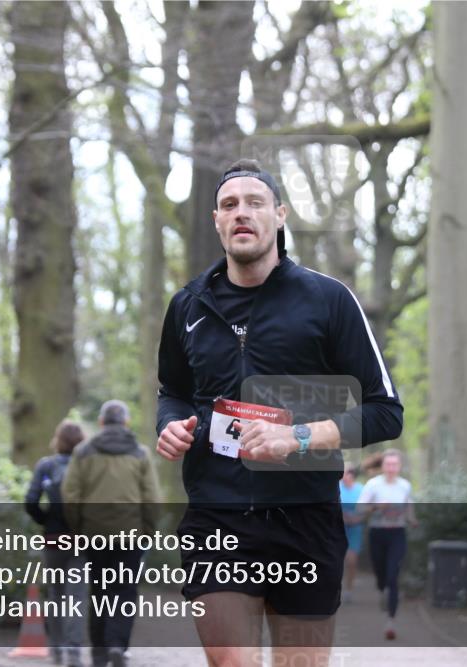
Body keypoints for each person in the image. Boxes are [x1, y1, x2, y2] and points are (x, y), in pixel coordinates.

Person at [155, 158, 403, 666]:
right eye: (229, 205)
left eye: (254, 203)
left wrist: (299, 439)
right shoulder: (189, 306)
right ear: (216, 221)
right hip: (217, 516)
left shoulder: (329, 300)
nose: (241, 213)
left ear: (280, 215)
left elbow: (385, 412)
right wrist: (170, 425)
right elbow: (172, 391)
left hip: (305, 520)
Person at [62, 401, 161, 667]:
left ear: (102, 422)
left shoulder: (83, 452)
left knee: (99, 591)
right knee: (125, 591)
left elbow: (70, 496)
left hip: (93, 535)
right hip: (131, 536)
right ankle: (118, 645)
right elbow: (152, 499)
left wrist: (78, 528)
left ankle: (99, 652)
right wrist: (148, 531)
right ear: (126, 422)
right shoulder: (140, 454)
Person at [25, 420, 87, 667]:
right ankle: (74, 651)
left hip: (53, 539)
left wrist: (46, 521)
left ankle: (57, 649)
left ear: (57, 439)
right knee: (77, 595)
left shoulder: (46, 466)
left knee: (56, 594)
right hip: (83, 539)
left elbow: (30, 501)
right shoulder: (87, 466)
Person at [357, 448, 417, 641]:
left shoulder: (405, 486)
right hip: (377, 534)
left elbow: (409, 507)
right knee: (381, 574)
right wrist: (376, 507)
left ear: (399, 466)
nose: (391, 468)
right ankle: (382, 589)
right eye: (388, 464)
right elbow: (360, 509)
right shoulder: (373, 485)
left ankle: (390, 621)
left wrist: (412, 520)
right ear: (382, 466)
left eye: (394, 464)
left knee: (393, 575)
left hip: (397, 534)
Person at [338, 464, 365, 603]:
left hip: (354, 529)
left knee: (351, 561)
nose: (345, 475)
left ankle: (349, 589)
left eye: (348, 473)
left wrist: (357, 518)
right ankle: (335, 588)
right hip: (337, 528)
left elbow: (366, 509)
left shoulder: (361, 489)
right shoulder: (335, 487)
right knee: (337, 561)